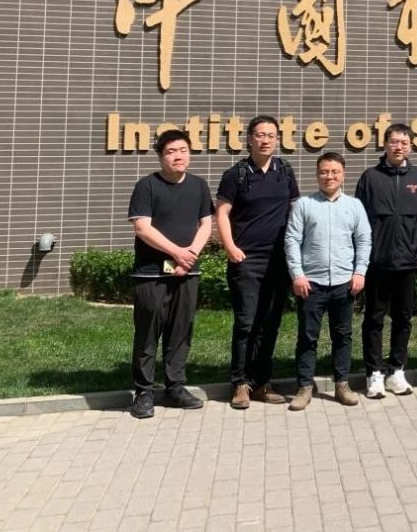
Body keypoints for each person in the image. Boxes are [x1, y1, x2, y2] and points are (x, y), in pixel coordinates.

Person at [215, 115, 300, 410]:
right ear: (250, 139)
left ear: (277, 139)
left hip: (278, 261)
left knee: (270, 323)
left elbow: (295, 210)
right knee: (246, 323)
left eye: (271, 135)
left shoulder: (285, 171)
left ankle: (262, 382)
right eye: (260, 135)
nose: (266, 140)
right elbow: (222, 213)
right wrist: (230, 247)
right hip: (247, 260)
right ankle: (240, 383)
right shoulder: (236, 174)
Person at [127, 129, 213, 419]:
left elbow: (206, 224)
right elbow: (142, 228)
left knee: (180, 331)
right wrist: (177, 253)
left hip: (187, 272)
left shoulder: (199, 186)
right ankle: (144, 392)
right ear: (161, 156)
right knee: (148, 332)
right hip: (151, 274)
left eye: (183, 150)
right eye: (171, 151)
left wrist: (190, 256)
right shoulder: (147, 186)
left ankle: (175, 387)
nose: (178, 156)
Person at [284, 152, 370, 411]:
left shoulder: (354, 206)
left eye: (334, 172)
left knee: (343, 336)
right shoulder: (304, 205)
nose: (329, 176)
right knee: (307, 337)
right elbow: (292, 240)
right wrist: (297, 274)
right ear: (317, 174)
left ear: (343, 175)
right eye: (324, 171)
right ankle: (304, 387)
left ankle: (342, 384)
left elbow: (364, 240)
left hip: (344, 283)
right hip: (311, 284)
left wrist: (360, 272)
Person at [355, 124, 417, 400]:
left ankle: (396, 370)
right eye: (394, 142)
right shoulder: (370, 177)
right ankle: (374, 373)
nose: (399, 147)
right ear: (385, 144)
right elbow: (359, 220)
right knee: (374, 319)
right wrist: (362, 256)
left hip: (407, 262)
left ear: (410, 146)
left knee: (403, 318)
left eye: (404, 142)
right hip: (377, 261)